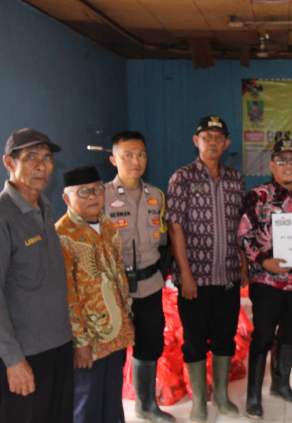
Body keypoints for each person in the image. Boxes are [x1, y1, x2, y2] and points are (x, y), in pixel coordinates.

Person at [0, 129, 74, 423]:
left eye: (47, 157)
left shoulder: (44, 207)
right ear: (9, 162)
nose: (42, 165)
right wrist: (13, 359)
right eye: (31, 157)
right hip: (24, 354)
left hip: (58, 345)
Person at [164, 115, 247, 422]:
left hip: (227, 275)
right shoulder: (182, 178)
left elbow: (240, 226)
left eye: (218, 138)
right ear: (196, 141)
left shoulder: (235, 179)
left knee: (225, 338)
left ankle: (221, 395)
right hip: (194, 279)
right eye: (206, 137)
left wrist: (243, 263)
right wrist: (185, 274)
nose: (212, 142)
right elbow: (175, 227)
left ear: (226, 144)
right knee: (194, 341)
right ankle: (199, 400)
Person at [238, 137, 292, 420]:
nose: (287, 165)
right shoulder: (258, 196)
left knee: (289, 334)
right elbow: (243, 235)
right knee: (262, 337)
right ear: (272, 165)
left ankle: (281, 385)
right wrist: (262, 260)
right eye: (281, 160)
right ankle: (253, 396)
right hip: (267, 282)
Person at [102, 131, 174, 423]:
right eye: (128, 155)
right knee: (114, 352)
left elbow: (163, 240)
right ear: (113, 160)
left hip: (150, 285)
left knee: (150, 344)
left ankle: (146, 406)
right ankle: (111, 412)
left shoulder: (156, 195)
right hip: (115, 289)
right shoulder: (101, 196)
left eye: (141, 154)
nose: (136, 161)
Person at [57, 165, 135, 423]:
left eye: (97, 190)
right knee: (86, 404)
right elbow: (67, 295)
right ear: (67, 198)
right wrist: (79, 343)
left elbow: (119, 277)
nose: (92, 196)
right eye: (83, 192)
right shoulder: (62, 235)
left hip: (116, 333)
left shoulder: (108, 226)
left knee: (112, 401)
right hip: (89, 340)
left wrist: (127, 319)